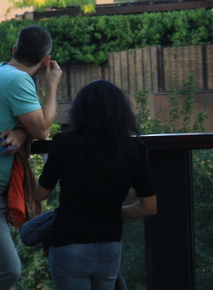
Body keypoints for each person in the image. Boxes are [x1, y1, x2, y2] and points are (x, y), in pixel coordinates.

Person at [0, 25, 62, 290]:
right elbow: (43, 130)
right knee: (7, 270)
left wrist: (21, 131)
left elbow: (23, 124)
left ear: (14, 50)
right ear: (45, 62)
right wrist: (52, 86)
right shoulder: (17, 80)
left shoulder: (0, 71)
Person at [35, 80, 157, 290]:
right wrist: (115, 212)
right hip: (109, 246)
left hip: (69, 243)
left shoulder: (64, 143)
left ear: (81, 111)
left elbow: (40, 194)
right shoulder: (134, 150)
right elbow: (149, 207)